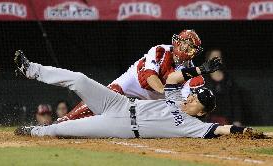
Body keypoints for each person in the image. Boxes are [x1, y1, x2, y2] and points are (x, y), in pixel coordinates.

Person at [14, 50, 253, 138]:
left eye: (196, 99)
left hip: (121, 125)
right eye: (194, 94)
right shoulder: (179, 98)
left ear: (201, 111)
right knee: (78, 79)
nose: (191, 97)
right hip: (119, 103)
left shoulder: (194, 127)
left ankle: (33, 131)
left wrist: (247, 132)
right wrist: (200, 69)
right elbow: (171, 79)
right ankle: (31, 70)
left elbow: (222, 129)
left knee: (60, 130)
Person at [57, 29, 205, 122]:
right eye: (184, 43)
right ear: (177, 41)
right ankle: (66, 120)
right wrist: (167, 93)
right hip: (135, 82)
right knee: (105, 96)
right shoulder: (160, 50)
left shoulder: (192, 73)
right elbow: (150, 76)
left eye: (191, 47)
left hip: (160, 97)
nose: (186, 48)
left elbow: (185, 100)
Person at [203, 49, 244, 126]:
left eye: (219, 57)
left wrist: (237, 120)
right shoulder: (202, 79)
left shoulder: (229, 79)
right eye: (214, 57)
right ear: (208, 59)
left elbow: (236, 102)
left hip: (227, 120)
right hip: (207, 121)